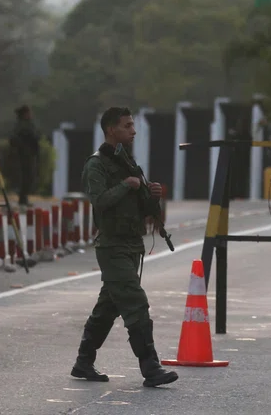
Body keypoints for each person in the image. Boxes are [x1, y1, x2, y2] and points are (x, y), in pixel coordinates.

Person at [70, 106, 178, 388]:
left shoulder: (128, 163)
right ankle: (150, 367)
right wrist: (126, 185)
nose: (133, 131)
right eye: (127, 126)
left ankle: (84, 361)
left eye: (132, 125)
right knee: (135, 303)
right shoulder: (96, 164)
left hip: (131, 246)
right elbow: (99, 201)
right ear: (111, 130)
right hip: (112, 247)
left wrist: (152, 195)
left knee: (108, 307)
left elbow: (145, 209)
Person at [10, 105, 40, 207]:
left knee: (29, 177)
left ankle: (24, 198)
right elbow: (16, 139)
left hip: (29, 154)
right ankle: (22, 198)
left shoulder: (27, 124)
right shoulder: (22, 125)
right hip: (24, 155)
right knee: (26, 177)